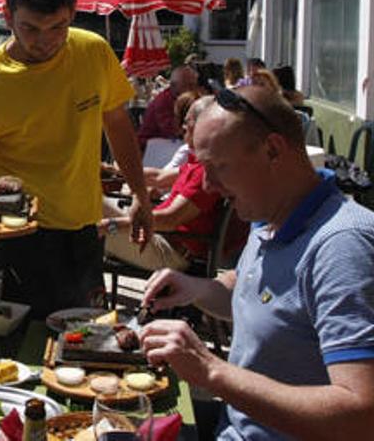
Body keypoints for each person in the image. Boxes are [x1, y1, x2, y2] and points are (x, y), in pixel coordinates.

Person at [140, 86, 374, 440]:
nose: (207, 184)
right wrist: (196, 288)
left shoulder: (342, 246)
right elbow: (262, 293)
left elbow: (361, 416)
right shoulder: (268, 214)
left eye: (217, 166)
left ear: (273, 150)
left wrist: (211, 371)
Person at [0, 0, 152, 317]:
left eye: (58, 26)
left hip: (84, 233)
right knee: (17, 359)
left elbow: (118, 124)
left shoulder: (93, 51)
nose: (46, 41)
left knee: (85, 342)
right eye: (30, 28)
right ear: (8, 17)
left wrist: (139, 194)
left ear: (73, 13)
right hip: (16, 241)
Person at [101, 95, 245, 271]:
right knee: (89, 202)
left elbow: (170, 219)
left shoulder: (205, 173)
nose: (182, 127)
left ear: (203, 126)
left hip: (167, 252)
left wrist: (113, 225)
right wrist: (111, 169)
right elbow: (159, 176)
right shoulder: (198, 163)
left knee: (90, 206)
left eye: (188, 122)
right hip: (155, 237)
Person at [137, 65, 200, 149]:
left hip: (168, 143)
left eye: (194, 84)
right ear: (174, 85)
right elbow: (170, 130)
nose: (193, 88)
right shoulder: (164, 101)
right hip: (150, 147)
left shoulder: (181, 98)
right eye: (189, 85)